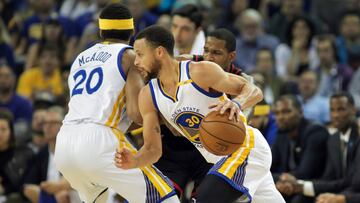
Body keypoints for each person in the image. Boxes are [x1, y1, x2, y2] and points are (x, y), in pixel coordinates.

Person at [116, 25, 285, 203]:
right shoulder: (148, 95)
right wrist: (134, 161)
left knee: (205, 199)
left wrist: (237, 103)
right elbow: (153, 150)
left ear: (159, 52)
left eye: (140, 54)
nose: (136, 62)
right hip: (219, 159)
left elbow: (253, 90)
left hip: (245, 148)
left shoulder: (198, 71)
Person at [54, 4, 178, 203]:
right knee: (164, 198)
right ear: (132, 31)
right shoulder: (130, 56)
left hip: (64, 143)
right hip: (98, 140)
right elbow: (137, 114)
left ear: (101, 31)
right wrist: (169, 119)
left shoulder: (79, 59)